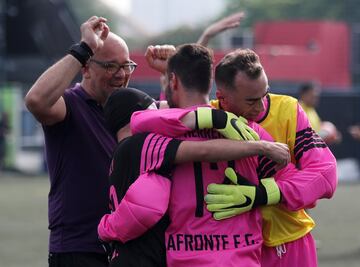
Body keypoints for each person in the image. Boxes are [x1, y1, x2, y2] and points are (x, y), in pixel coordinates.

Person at [134, 45, 337, 267]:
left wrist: (263, 194)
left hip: (288, 242)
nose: (261, 107)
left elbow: (325, 174)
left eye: (265, 94)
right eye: (251, 101)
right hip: (241, 251)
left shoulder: (288, 110)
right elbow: (145, 118)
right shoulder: (208, 114)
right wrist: (210, 115)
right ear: (223, 97)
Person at [97, 87, 290, 266]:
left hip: (121, 256)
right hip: (144, 259)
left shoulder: (118, 154)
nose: (162, 114)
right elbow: (201, 152)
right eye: (154, 109)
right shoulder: (141, 144)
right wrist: (261, 147)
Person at [24, 16, 136, 267]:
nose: (121, 74)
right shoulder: (71, 104)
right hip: (79, 250)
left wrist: (168, 73)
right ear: (85, 68)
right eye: (110, 66)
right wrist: (83, 48)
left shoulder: (128, 110)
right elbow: (36, 101)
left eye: (126, 65)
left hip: (124, 249)